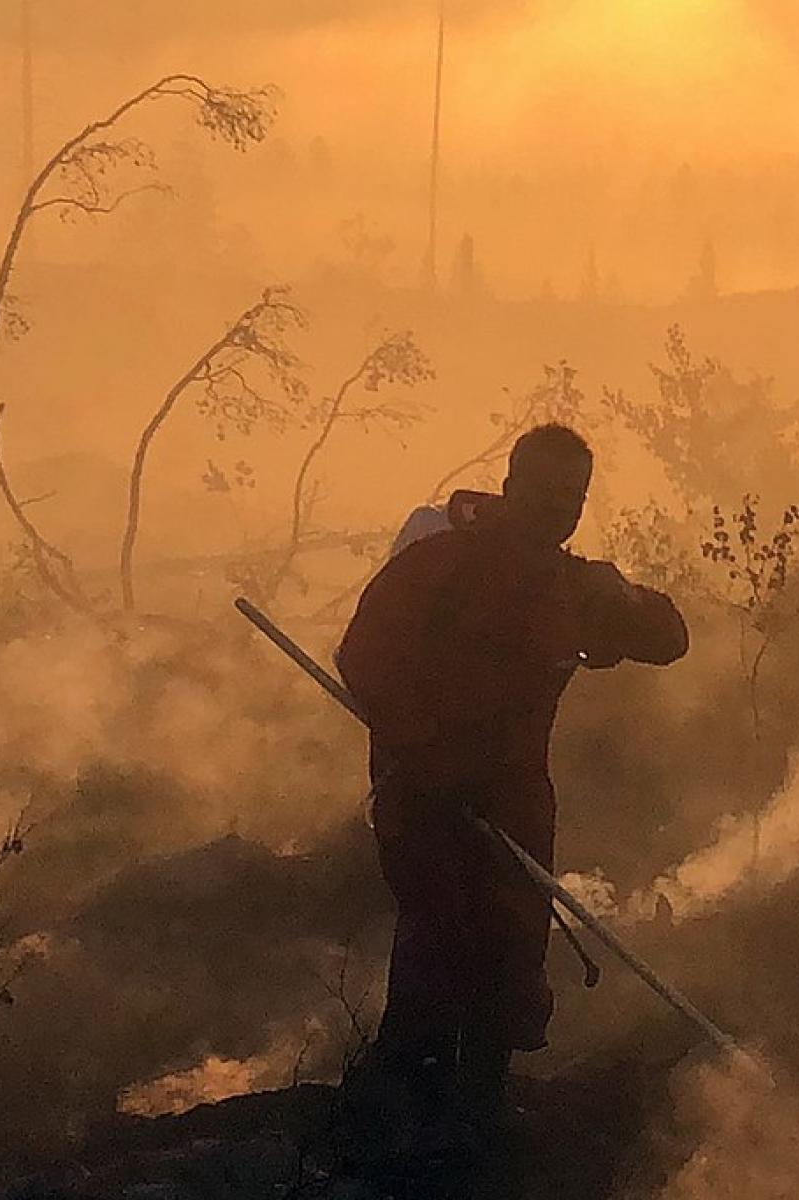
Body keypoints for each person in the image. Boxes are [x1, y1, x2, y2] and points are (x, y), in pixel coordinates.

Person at [336, 423, 688, 1139]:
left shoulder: (573, 589)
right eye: (545, 492)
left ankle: (480, 1118)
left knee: (513, 948)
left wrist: (625, 598)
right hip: (423, 790)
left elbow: (669, 640)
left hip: (515, 797)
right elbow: (363, 654)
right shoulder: (442, 562)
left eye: (574, 497)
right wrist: (421, 750)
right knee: (441, 936)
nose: (560, 509)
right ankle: (395, 1105)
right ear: (510, 486)